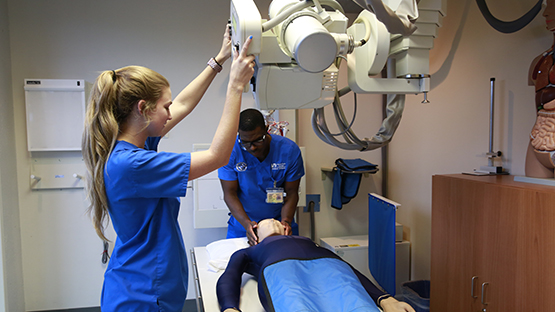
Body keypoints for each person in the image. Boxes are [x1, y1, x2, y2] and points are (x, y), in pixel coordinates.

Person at [81, 24, 256, 312]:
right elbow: (217, 156)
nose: (170, 113)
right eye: (165, 107)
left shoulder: (132, 146)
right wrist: (236, 86)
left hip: (139, 285)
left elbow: (184, 104)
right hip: (144, 296)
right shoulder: (132, 164)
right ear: (143, 109)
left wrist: (219, 61)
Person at [216, 219, 415, 312]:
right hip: (283, 273)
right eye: (265, 222)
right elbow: (230, 276)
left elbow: (349, 271)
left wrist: (385, 299)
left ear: (287, 229)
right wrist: (230, 308)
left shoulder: (307, 240)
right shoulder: (249, 251)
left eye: (275, 220)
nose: (272, 222)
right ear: (255, 236)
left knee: (360, 307)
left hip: (331, 268)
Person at [218, 108, 305, 245]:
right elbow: (230, 194)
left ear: (266, 129)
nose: (252, 148)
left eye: (258, 140)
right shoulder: (229, 151)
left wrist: (286, 222)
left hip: (279, 225)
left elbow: (292, 192)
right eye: (245, 142)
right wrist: (247, 224)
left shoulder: (288, 150)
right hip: (243, 225)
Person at [526, 0, 555, 178]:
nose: (545, 13)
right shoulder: (538, 63)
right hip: (539, 142)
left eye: (552, 4)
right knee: (532, 203)